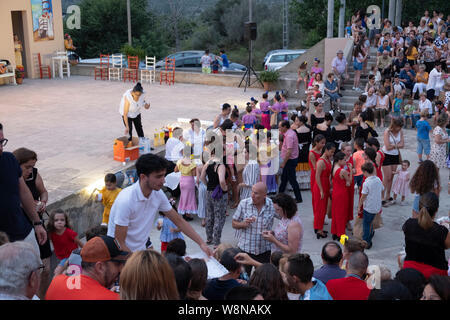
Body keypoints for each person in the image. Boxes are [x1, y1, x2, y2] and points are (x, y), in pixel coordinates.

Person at [108, 154, 212, 256]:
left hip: (140, 252)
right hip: (122, 258)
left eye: (163, 175)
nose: (163, 180)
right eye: (158, 176)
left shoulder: (157, 194)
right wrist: (138, 264)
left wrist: (202, 244)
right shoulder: (126, 200)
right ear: (143, 177)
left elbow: (179, 221)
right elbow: (120, 244)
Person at [0, 123, 46, 253]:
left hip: (22, 233)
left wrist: (37, 223)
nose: (0, 148)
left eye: (2, 142)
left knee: (36, 270)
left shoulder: (9, 159)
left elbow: (24, 191)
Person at [11, 147, 50, 297]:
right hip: (21, 227)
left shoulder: (34, 174)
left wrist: (43, 202)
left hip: (37, 223)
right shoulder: (10, 177)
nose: (30, 170)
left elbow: (43, 191)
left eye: (32, 167)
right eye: (27, 167)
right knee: (30, 271)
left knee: (46, 269)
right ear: (17, 165)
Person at [45, 235, 129, 300]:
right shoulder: (113, 298)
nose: (121, 269)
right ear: (100, 267)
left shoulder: (56, 283)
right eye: (117, 264)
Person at [232, 182, 276, 275]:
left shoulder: (271, 204)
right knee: (243, 278)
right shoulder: (244, 204)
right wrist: (243, 224)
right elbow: (234, 223)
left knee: (264, 278)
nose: (252, 195)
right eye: (252, 192)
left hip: (264, 250)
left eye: (256, 193)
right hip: (245, 249)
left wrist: (275, 233)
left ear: (264, 195)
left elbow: (284, 217)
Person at [402, 192, 450, 279]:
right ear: (436, 210)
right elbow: (447, 245)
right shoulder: (442, 231)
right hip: (436, 273)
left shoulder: (409, 224)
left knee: (400, 257)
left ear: (419, 207)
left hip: (411, 268)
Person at [46, 209, 84, 276]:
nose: (59, 222)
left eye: (62, 220)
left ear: (65, 222)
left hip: (72, 256)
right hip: (62, 257)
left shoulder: (69, 233)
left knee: (57, 273)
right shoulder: (51, 233)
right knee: (67, 274)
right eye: (56, 220)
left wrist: (85, 253)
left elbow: (80, 243)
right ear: (52, 222)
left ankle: (54, 286)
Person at [312, 142, 336, 238]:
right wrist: (321, 190)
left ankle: (319, 227)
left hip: (325, 185)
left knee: (323, 209)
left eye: (333, 152)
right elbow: (317, 176)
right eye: (331, 152)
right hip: (319, 187)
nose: (332, 154)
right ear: (326, 150)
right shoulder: (321, 161)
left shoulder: (327, 160)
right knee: (320, 209)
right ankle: (319, 230)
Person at [358, 162, 383, 249]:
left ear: (365, 172)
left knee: (366, 224)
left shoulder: (366, 183)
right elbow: (382, 190)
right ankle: (371, 234)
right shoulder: (378, 180)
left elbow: (363, 196)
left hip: (369, 207)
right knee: (371, 222)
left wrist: (359, 206)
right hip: (376, 206)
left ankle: (366, 242)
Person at [381, 118, 404, 206]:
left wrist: (393, 146)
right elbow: (387, 147)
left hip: (395, 155)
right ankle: (381, 196)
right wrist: (396, 146)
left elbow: (402, 145)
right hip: (386, 155)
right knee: (386, 177)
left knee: (391, 176)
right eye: (398, 127)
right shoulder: (387, 132)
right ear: (394, 126)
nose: (399, 129)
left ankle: (388, 195)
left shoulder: (401, 132)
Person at [278, 120, 302, 203]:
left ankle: (298, 198)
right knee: (284, 179)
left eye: (280, 127)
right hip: (290, 160)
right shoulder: (290, 132)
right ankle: (279, 196)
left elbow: (289, 151)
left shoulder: (289, 136)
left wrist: (284, 163)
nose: (279, 128)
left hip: (290, 160)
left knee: (292, 180)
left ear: (285, 127)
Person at [331, 152, 352, 240]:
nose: (345, 161)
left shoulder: (334, 168)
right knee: (341, 215)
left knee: (336, 214)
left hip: (335, 193)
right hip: (342, 194)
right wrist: (350, 169)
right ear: (339, 160)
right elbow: (349, 182)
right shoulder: (342, 171)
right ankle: (341, 235)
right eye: (344, 160)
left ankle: (335, 233)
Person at [174, 146, 198, 220]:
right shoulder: (192, 163)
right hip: (189, 181)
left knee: (183, 197)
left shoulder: (179, 161)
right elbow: (194, 174)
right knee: (190, 198)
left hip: (182, 180)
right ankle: (188, 214)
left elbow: (175, 170)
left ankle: (183, 211)